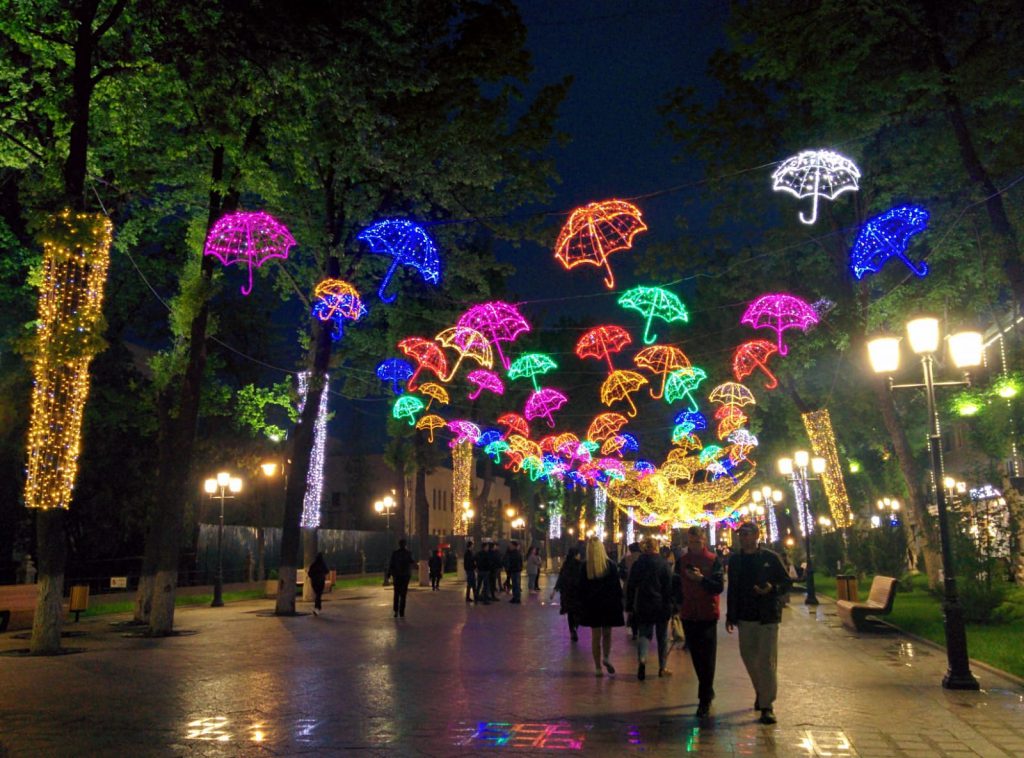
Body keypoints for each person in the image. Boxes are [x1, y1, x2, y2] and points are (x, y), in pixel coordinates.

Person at [726, 521, 792, 725]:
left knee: (766, 661)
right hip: (745, 616)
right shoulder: (735, 559)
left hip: (767, 617)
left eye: (747, 534)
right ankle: (761, 691)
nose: (743, 538)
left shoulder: (770, 558)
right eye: (741, 534)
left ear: (756, 535)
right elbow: (733, 588)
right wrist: (730, 614)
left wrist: (771, 589)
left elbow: (787, 582)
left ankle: (766, 706)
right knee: (748, 657)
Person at [676, 526, 725, 718]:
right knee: (696, 656)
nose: (694, 545)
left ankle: (704, 697)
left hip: (707, 614)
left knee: (708, 656)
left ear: (703, 541)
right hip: (689, 614)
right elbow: (676, 585)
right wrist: (678, 606)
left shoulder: (713, 561)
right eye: (690, 542)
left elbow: (718, 586)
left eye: (697, 542)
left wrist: (701, 579)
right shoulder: (682, 561)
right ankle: (707, 689)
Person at [626, 537, 674, 681]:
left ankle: (642, 658)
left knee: (644, 634)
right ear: (656, 547)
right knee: (662, 637)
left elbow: (631, 586)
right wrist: (671, 605)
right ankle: (662, 667)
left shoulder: (638, 564)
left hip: (643, 603)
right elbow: (668, 587)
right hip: (660, 604)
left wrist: (629, 605)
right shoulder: (663, 563)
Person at [579, 537, 624, 677]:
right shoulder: (610, 565)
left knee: (595, 636)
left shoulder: (585, 567)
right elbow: (616, 588)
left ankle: (598, 667)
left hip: (592, 606)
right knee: (607, 633)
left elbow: (581, 588)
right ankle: (606, 657)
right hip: (608, 605)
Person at [552, 548, 583, 641]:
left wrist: (555, 590)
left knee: (570, 613)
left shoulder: (566, 565)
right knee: (578, 612)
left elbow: (561, 578)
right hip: (578, 593)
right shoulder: (580, 565)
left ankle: (572, 630)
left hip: (567, 593)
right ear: (576, 555)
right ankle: (575, 628)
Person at [385, 538, 416, 618]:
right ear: (405, 545)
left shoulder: (395, 553)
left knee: (396, 593)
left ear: (399, 544)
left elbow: (391, 564)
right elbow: (412, 561)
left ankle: (396, 611)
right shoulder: (408, 553)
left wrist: (388, 574)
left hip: (397, 576)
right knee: (403, 594)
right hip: (405, 576)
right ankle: (402, 612)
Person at [622, 542, 641, 639]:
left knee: (631, 607)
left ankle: (633, 629)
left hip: (629, 584)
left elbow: (621, 570)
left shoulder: (627, 558)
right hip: (641, 585)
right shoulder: (643, 557)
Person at [307, 552, 329, 616]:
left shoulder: (313, 565)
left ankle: (317, 608)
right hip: (321, 581)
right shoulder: (322, 564)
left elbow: (309, 574)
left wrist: (313, 577)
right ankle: (317, 608)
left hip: (314, 582)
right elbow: (327, 571)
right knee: (318, 595)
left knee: (317, 595)